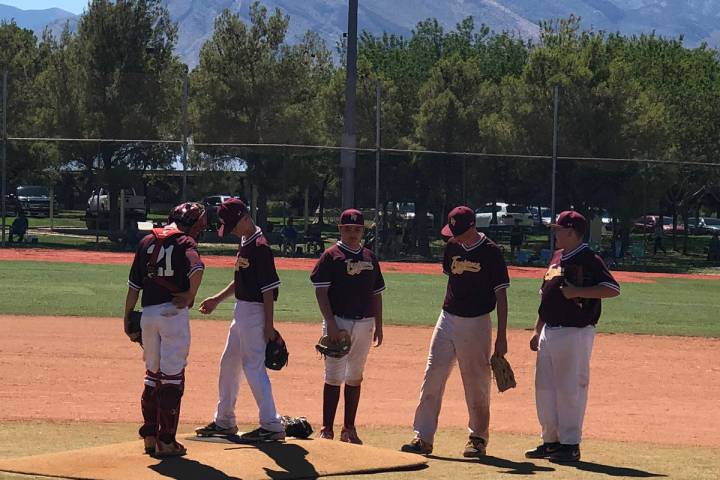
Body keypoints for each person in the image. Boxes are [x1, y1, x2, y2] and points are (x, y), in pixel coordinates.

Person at [401, 206, 510, 457]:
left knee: (476, 381)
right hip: (447, 317)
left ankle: (478, 437)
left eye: (459, 231)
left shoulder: (491, 252)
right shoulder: (451, 246)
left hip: (477, 322)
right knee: (433, 374)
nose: (454, 236)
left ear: (472, 227)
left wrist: (502, 336)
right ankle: (423, 437)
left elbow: (501, 295)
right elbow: (452, 281)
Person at [525, 211, 620, 463]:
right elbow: (546, 295)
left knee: (570, 389)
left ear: (572, 232)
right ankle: (550, 441)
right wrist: (537, 328)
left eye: (559, 229)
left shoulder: (589, 258)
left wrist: (579, 291)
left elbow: (612, 289)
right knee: (544, 389)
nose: (555, 233)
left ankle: (570, 444)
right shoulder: (557, 257)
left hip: (575, 331)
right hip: (549, 330)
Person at [195, 198, 286, 442]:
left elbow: (268, 290)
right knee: (229, 364)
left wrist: (268, 325)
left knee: (253, 367)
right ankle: (224, 421)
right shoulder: (246, 241)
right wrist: (217, 299)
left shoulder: (261, 247)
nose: (232, 231)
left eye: (234, 225)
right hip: (242, 311)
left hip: (255, 312)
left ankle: (271, 425)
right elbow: (242, 281)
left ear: (246, 217)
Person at [124, 202, 207, 458]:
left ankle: (150, 437)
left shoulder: (147, 240)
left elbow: (133, 286)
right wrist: (190, 294)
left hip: (148, 314)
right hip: (172, 314)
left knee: (152, 375)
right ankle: (167, 441)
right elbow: (197, 267)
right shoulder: (186, 243)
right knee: (172, 379)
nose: (199, 231)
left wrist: (127, 317)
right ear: (190, 224)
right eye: (199, 226)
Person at [310, 209, 385, 444]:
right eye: (348, 229)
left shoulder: (370, 257)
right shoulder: (331, 256)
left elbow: (376, 294)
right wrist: (330, 323)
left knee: (355, 376)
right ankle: (327, 428)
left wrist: (379, 325)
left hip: (365, 322)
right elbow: (321, 292)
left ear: (363, 231)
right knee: (333, 375)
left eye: (357, 229)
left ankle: (349, 428)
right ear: (340, 230)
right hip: (338, 321)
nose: (353, 233)